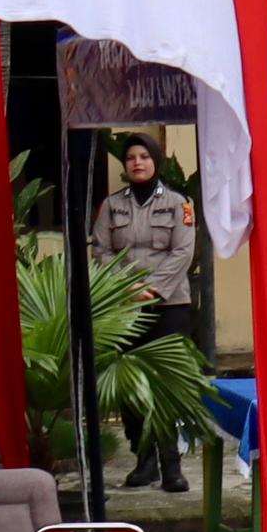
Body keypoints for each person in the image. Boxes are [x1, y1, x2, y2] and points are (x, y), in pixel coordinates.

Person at [93, 139, 201, 491]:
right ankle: (144, 461)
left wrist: (152, 289)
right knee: (130, 386)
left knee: (165, 386)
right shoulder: (111, 206)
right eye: (130, 158)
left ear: (155, 161)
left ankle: (172, 464)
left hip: (169, 306)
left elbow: (183, 251)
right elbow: (101, 250)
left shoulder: (179, 204)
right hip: (124, 307)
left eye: (143, 157)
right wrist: (127, 288)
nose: (137, 163)